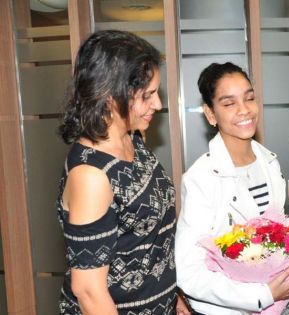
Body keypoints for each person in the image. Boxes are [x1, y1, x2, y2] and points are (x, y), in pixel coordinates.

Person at [56, 30, 186, 314]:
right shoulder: (91, 175)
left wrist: (173, 295)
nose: (158, 105)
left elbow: (146, 238)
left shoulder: (132, 136)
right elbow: (89, 291)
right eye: (147, 95)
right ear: (109, 95)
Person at [175, 62, 289, 314]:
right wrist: (260, 295)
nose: (245, 110)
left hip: (274, 305)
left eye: (249, 98)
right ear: (210, 114)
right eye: (229, 103)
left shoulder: (270, 162)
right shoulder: (201, 178)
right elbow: (188, 272)